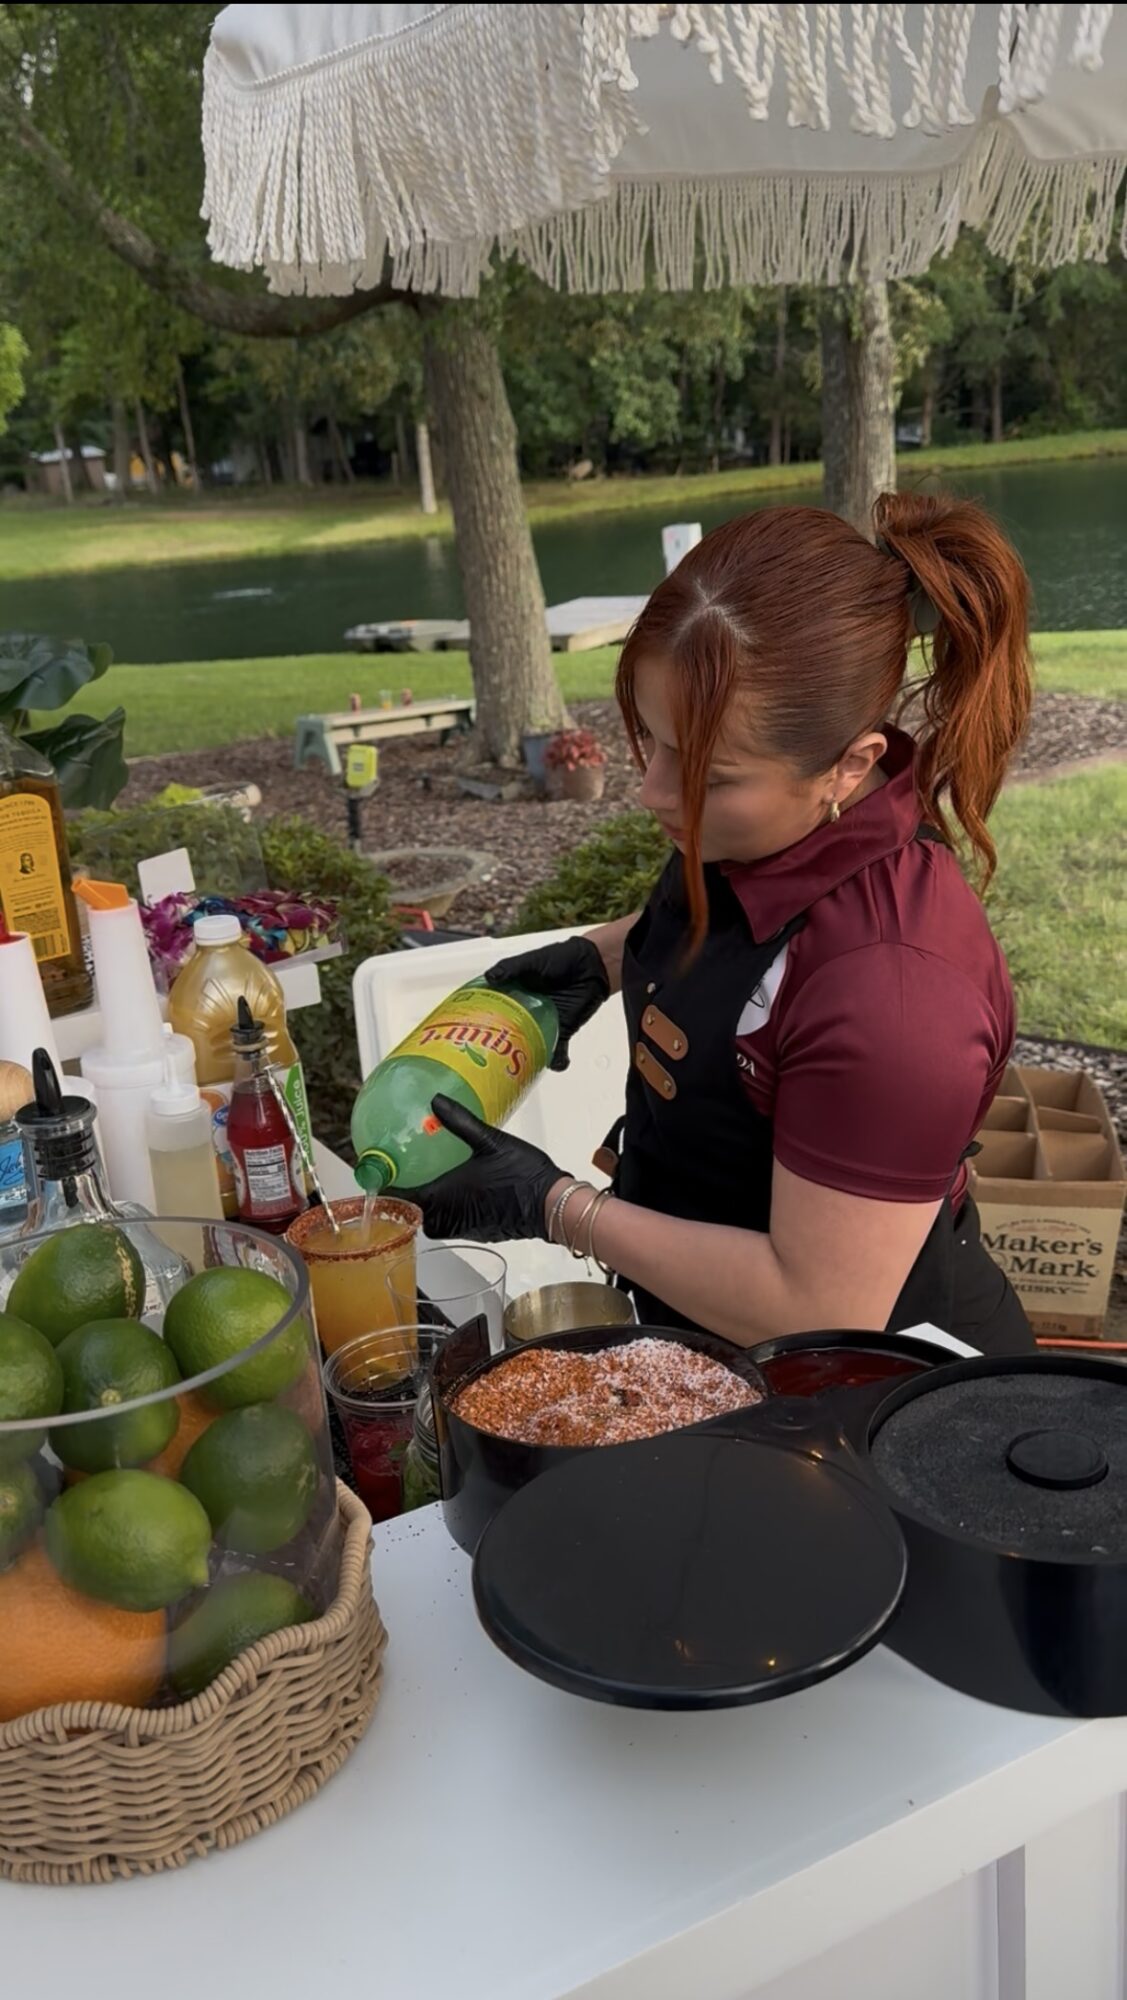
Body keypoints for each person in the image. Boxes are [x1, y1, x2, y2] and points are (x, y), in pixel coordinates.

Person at [415, 493, 1036, 1355]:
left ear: (849, 765)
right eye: (652, 741)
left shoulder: (895, 1002)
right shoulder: (771, 825)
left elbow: (817, 1307)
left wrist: (554, 1205)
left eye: (709, 774)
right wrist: (604, 957)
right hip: (711, 1335)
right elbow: (752, 933)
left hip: (873, 1386)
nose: (652, 793)